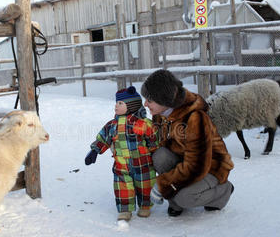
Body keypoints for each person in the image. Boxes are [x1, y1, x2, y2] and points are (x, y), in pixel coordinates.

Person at [140, 69, 234, 216]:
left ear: (164, 99)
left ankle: (222, 192)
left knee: (185, 197)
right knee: (160, 156)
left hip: (210, 167)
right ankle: (175, 202)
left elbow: (197, 165)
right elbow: (159, 145)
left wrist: (163, 184)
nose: (145, 104)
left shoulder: (195, 117)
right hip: (184, 161)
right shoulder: (160, 115)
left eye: (149, 100)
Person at [85, 86, 159, 221]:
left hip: (143, 163)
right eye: (116, 103)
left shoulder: (143, 124)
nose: (116, 106)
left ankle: (145, 206)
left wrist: (155, 153)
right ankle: (125, 210)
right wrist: (95, 150)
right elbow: (103, 137)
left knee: (145, 184)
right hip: (121, 164)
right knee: (123, 187)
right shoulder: (112, 125)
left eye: (120, 103)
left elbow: (153, 138)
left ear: (131, 105)